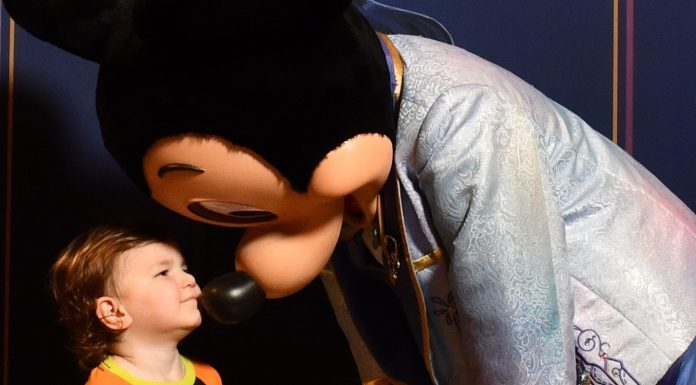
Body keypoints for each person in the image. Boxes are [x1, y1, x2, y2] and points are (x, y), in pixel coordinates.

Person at [5, 0, 696, 383]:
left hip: (648, 345)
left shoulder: (463, 117)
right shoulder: (328, 175)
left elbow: (521, 325)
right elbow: (371, 317)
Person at [50, 222, 223, 385]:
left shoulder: (208, 376)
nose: (190, 279)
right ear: (114, 312)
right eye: (163, 273)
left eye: (184, 269)